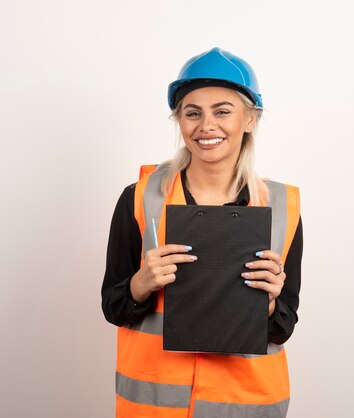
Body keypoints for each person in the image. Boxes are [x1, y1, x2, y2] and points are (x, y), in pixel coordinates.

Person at [101, 47, 303, 418]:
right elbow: (113, 305)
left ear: (250, 119)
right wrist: (141, 282)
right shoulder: (141, 198)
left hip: (245, 402)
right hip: (156, 406)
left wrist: (272, 300)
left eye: (222, 111)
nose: (206, 125)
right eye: (192, 113)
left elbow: (283, 325)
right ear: (179, 121)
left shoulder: (281, 205)